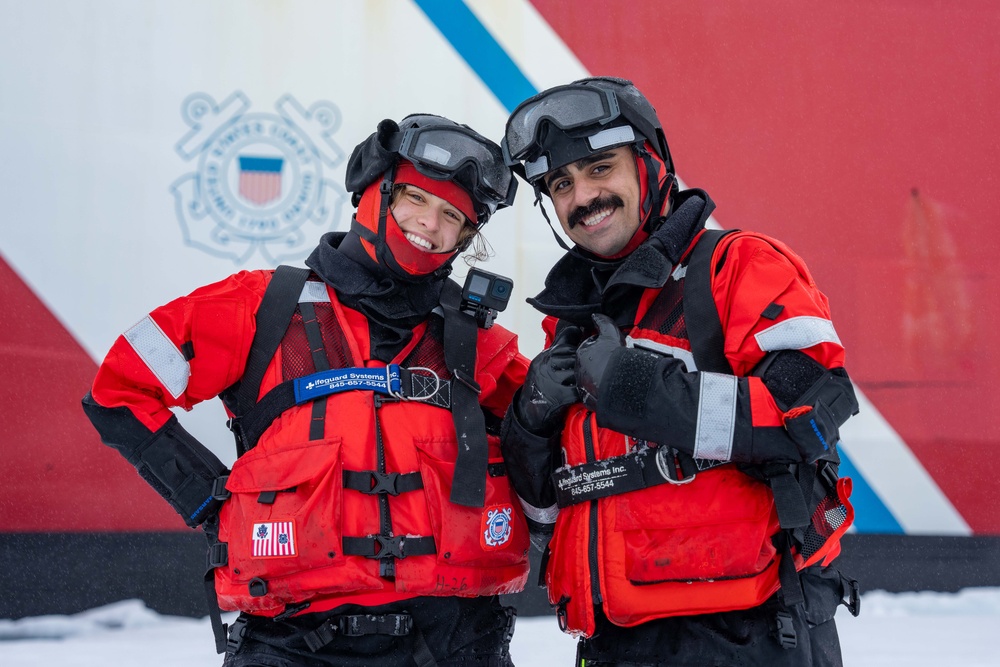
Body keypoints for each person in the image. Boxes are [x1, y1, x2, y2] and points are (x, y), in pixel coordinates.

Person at [82, 113, 532, 666]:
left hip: (456, 643)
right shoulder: (263, 308)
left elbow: (555, 446)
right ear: (373, 191)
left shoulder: (478, 344)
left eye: (453, 217)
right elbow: (120, 388)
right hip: (293, 644)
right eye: (416, 197)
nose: (430, 224)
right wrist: (209, 500)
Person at [499, 76, 861, 666]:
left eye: (599, 168)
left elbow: (809, 419)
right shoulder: (570, 324)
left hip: (749, 633)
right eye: (560, 184)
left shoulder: (739, 267)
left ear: (651, 163)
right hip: (613, 640)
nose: (582, 196)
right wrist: (531, 421)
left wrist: (631, 386)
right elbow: (548, 509)